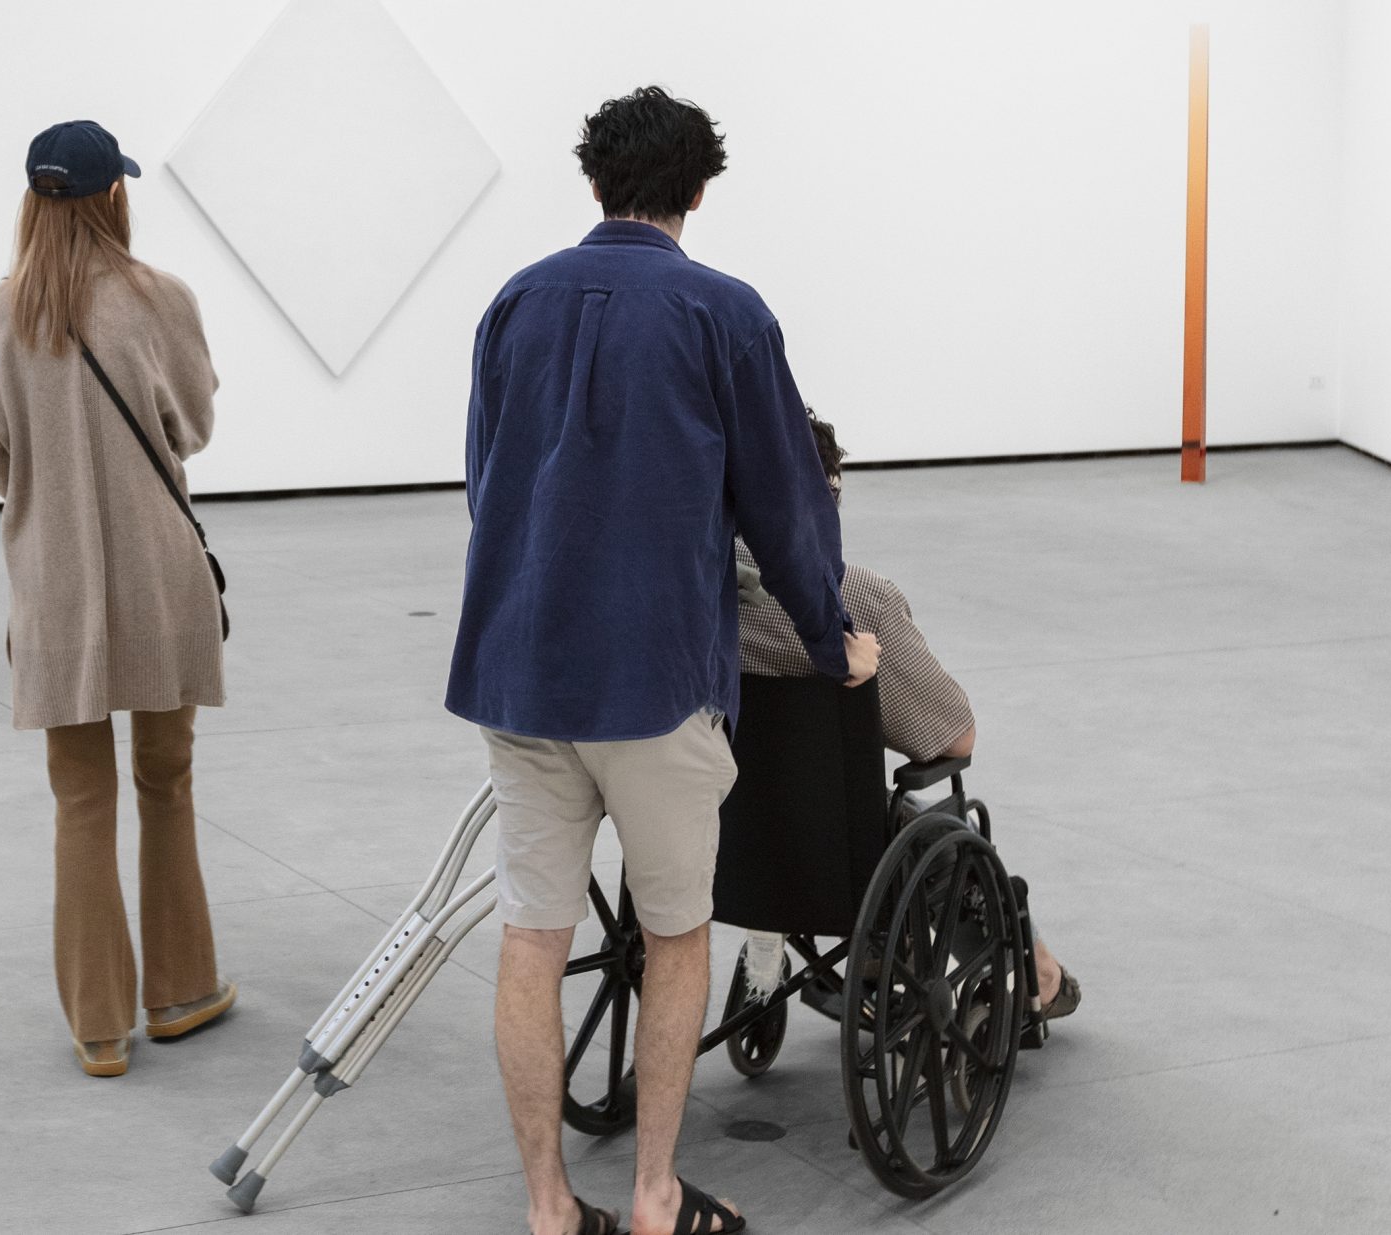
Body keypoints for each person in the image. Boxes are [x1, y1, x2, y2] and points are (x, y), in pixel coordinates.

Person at [447, 87, 879, 1235]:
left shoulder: (512, 303)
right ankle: (651, 1196)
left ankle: (548, 1207)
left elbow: (488, 488)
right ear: (698, 189)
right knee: (678, 929)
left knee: (533, 936)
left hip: (520, 672)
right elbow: (786, 508)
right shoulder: (721, 311)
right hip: (653, 681)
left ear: (594, 183)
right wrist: (830, 640)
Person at [0, 120, 235, 1079]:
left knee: (81, 802)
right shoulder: (162, 299)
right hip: (161, 577)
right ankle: (182, 994)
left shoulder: (3, 313)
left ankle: (97, 1028)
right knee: (167, 783)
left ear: (36, 202)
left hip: (55, 584)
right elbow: (193, 424)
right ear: (112, 195)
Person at [734, 418, 1080, 1020]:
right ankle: (1038, 975)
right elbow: (953, 734)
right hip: (834, 852)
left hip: (722, 833)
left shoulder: (691, 589)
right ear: (825, 495)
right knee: (945, 835)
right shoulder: (857, 599)